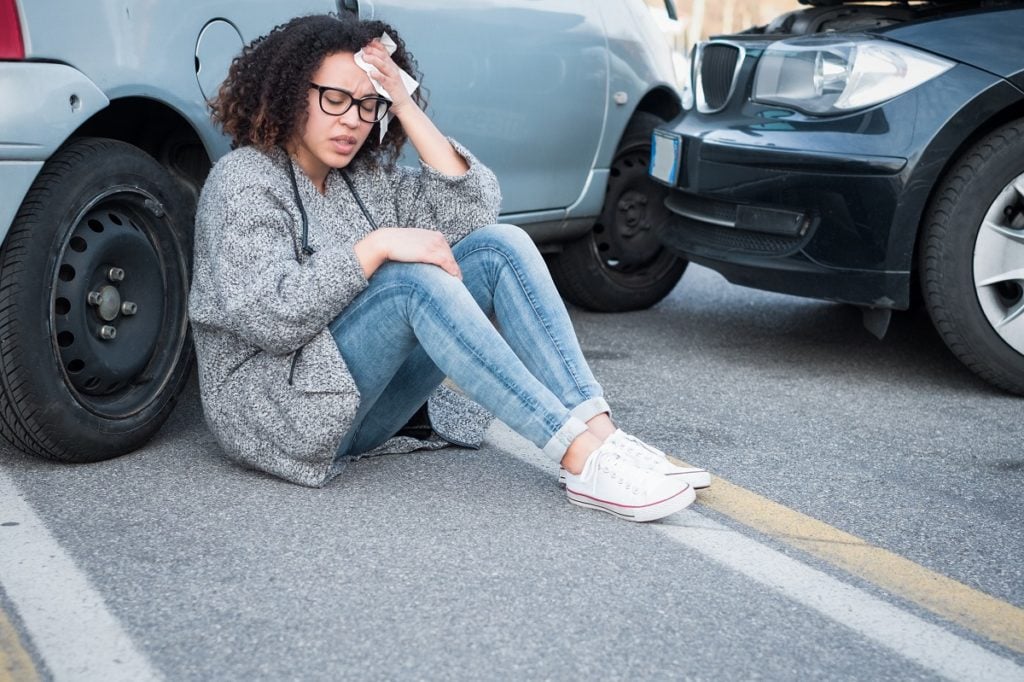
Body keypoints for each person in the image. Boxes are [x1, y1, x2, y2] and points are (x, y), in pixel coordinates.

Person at [188, 13, 711, 522]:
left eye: (369, 105)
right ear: (290, 92)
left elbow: (474, 212)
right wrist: (374, 248)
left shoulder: (361, 177)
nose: (351, 119)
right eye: (335, 98)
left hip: (363, 406)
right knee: (409, 282)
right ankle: (576, 454)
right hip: (280, 415)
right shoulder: (244, 182)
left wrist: (406, 105)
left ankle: (602, 436)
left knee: (499, 246)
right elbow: (268, 318)